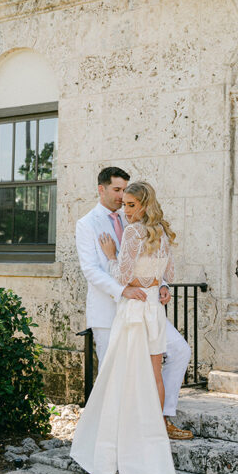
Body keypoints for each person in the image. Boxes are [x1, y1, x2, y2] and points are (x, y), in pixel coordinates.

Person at [71, 181, 180, 474]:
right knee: (154, 370)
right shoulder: (161, 230)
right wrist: (159, 286)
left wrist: (110, 254)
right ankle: (153, 432)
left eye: (131, 204)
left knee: (124, 372)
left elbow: (122, 275)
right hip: (153, 308)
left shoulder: (133, 233)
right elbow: (168, 273)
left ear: (144, 205)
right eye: (125, 204)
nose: (125, 209)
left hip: (134, 307)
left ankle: (124, 433)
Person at [73, 167, 193, 440]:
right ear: (101, 189)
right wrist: (123, 290)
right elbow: (91, 270)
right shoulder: (87, 224)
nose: (121, 197)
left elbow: (151, 258)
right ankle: (109, 437)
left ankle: (162, 419)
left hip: (144, 308)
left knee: (180, 351)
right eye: (116, 190)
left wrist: (162, 285)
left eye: (125, 191)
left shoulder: (135, 215)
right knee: (111, 374)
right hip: (109, 311)